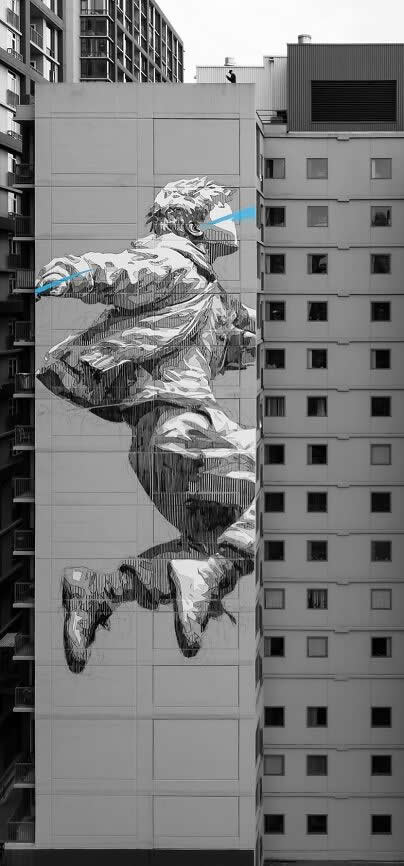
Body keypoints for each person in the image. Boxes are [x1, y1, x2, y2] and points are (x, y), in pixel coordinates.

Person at [36, 177, 256, 672]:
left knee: (212, 543)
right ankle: (208, 575)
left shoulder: (210, 291)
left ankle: (99, 593)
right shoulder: (177, 263)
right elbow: (125, 272)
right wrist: (70, 273)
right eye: (221, 209)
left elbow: (251, 330)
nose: (232, 217)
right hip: (180, 428)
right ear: (192, 219)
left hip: (158, 447)